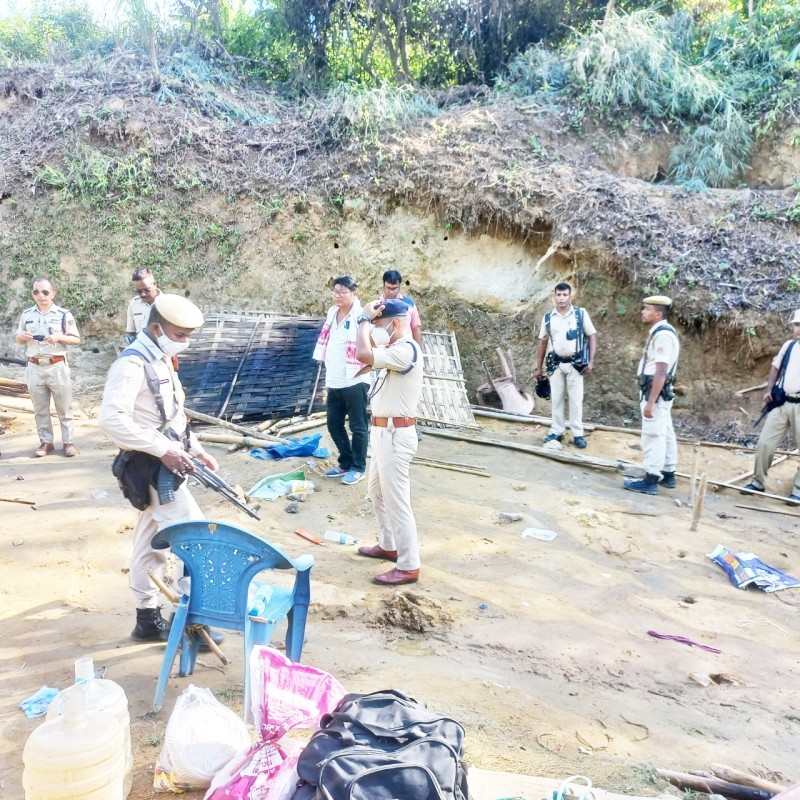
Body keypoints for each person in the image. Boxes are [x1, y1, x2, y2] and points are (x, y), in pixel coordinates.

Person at [99, 294, 221, 641]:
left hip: (166, 466)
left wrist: (195, 447)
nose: (186, 342)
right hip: (150, 469)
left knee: (149, 543)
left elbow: (172, 416)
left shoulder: (161, 358)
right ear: (156, 328)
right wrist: (164, 448)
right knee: (195, 540)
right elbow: (110, 420)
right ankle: (193, 622)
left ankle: (146, 620)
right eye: (180, 334)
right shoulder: (131, 365)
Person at [354, 298, 424, 585]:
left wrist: (361, 319)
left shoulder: (406, 350)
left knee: (397, 501)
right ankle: (388, 545)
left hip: (396, 435)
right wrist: (369, 325)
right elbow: (368, 352)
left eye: (380, 325)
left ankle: (409, 564)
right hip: (384, 433)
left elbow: (362, 353)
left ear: (395, 323)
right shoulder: (396, 349)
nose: (376, 329)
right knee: (377, 492)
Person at [313, 276, 371, 486]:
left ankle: (358, 467)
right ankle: (345, 462)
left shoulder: (362, 315)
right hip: (335, 379)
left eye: (342, 292)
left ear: (354, 294)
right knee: (333, 424)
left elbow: (370, 341)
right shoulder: (332, 313)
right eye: (335, 291)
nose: (337, 295)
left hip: (356, 379)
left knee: (358, 426)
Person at [15, 276, 80, 458]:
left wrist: (59, 337)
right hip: (34, 366)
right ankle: (46, 442)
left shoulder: (63, 314)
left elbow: (76, 339)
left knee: (64, 407)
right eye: (36, 292)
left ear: (53, 293)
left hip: (56, 365)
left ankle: (68, 442)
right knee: (40, 407)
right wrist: (23, 337)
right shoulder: (26, 314)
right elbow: (18, 338)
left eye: (45, 292)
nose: (41, 295)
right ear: (32, 294)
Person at [623, 295, 680, 495]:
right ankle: (669, 472)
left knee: (653, 434)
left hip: (654, 393)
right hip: (658, 392)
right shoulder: (661, 332)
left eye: (647, 309)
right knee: (666, 432)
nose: (643, 311)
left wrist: (651, 402)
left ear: (658, 313)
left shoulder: (662, 335)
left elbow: (661, 371)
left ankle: (651, 479)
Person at [742, 309, 800, 502]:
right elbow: (775, 366)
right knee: (765, 443)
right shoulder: (790, 346)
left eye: (799, 325)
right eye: (796, 325)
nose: (797, 329)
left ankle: (798, 490)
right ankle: (757, 481)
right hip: (782, 401)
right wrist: (769, 390)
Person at [534, 283, 597, 449]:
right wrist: (538, 367)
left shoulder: (580, 314)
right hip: (555, 364)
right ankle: (557, 430)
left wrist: (590, 361)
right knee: (557, 399)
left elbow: (591, 336)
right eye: (559, 295)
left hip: (576, 364)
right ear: (554, 296)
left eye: (565, 295)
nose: (561, 298)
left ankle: (577, 433)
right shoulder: (548, 317)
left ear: (570, 296)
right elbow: (542, 342)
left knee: (576, 400)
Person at [380, 269, 423, 346]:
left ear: (399, 286)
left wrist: (418, 351)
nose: (391, 291)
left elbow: (415, 328)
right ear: (384, 285)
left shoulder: (409, 304)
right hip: (384, 351)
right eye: (388, 288)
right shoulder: (377, 305)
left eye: (394, 288)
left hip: (406, 349)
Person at [125, 268, 161, 341]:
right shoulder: (133, 305)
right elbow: (130, 333)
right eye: (139, 291)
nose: (143, 294)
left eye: (147, 290)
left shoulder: (168, 303)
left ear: (155, 285)